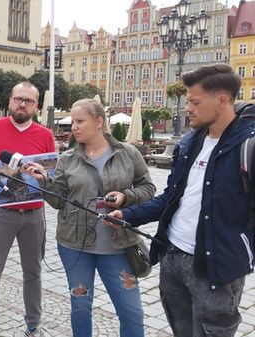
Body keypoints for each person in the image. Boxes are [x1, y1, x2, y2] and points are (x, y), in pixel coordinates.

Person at [109, 64, 253, 337]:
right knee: (182, 330)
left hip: (216, 268)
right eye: (187, 101)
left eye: (195, 101)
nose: (188, 108)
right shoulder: (190, 144)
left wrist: (241, 250)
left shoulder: (248, 145)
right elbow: (171, 199)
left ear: (221, 100)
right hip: (172, 256)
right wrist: (128, 215)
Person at [24, 99, 155, 337]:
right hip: (75, 245)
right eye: (72, 121)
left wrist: (126, 197)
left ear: (98, 122)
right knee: (81, 306)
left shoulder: (128, 153)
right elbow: (59, 201)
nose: (73, 126)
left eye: (79, 121)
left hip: (119, 245)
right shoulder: (68, 158)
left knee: (131, 311)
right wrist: (44, 182)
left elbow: (148, 188)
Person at [0, 82, 55, 337]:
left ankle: (33, 325)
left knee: (33, 272)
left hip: (33, 214)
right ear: (9, 101)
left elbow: (52, 175)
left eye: (29, 101)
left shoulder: (45, 134)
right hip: (2, 213)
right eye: (18, 99)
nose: (23, 104)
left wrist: (43, 175)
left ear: (36, 106)